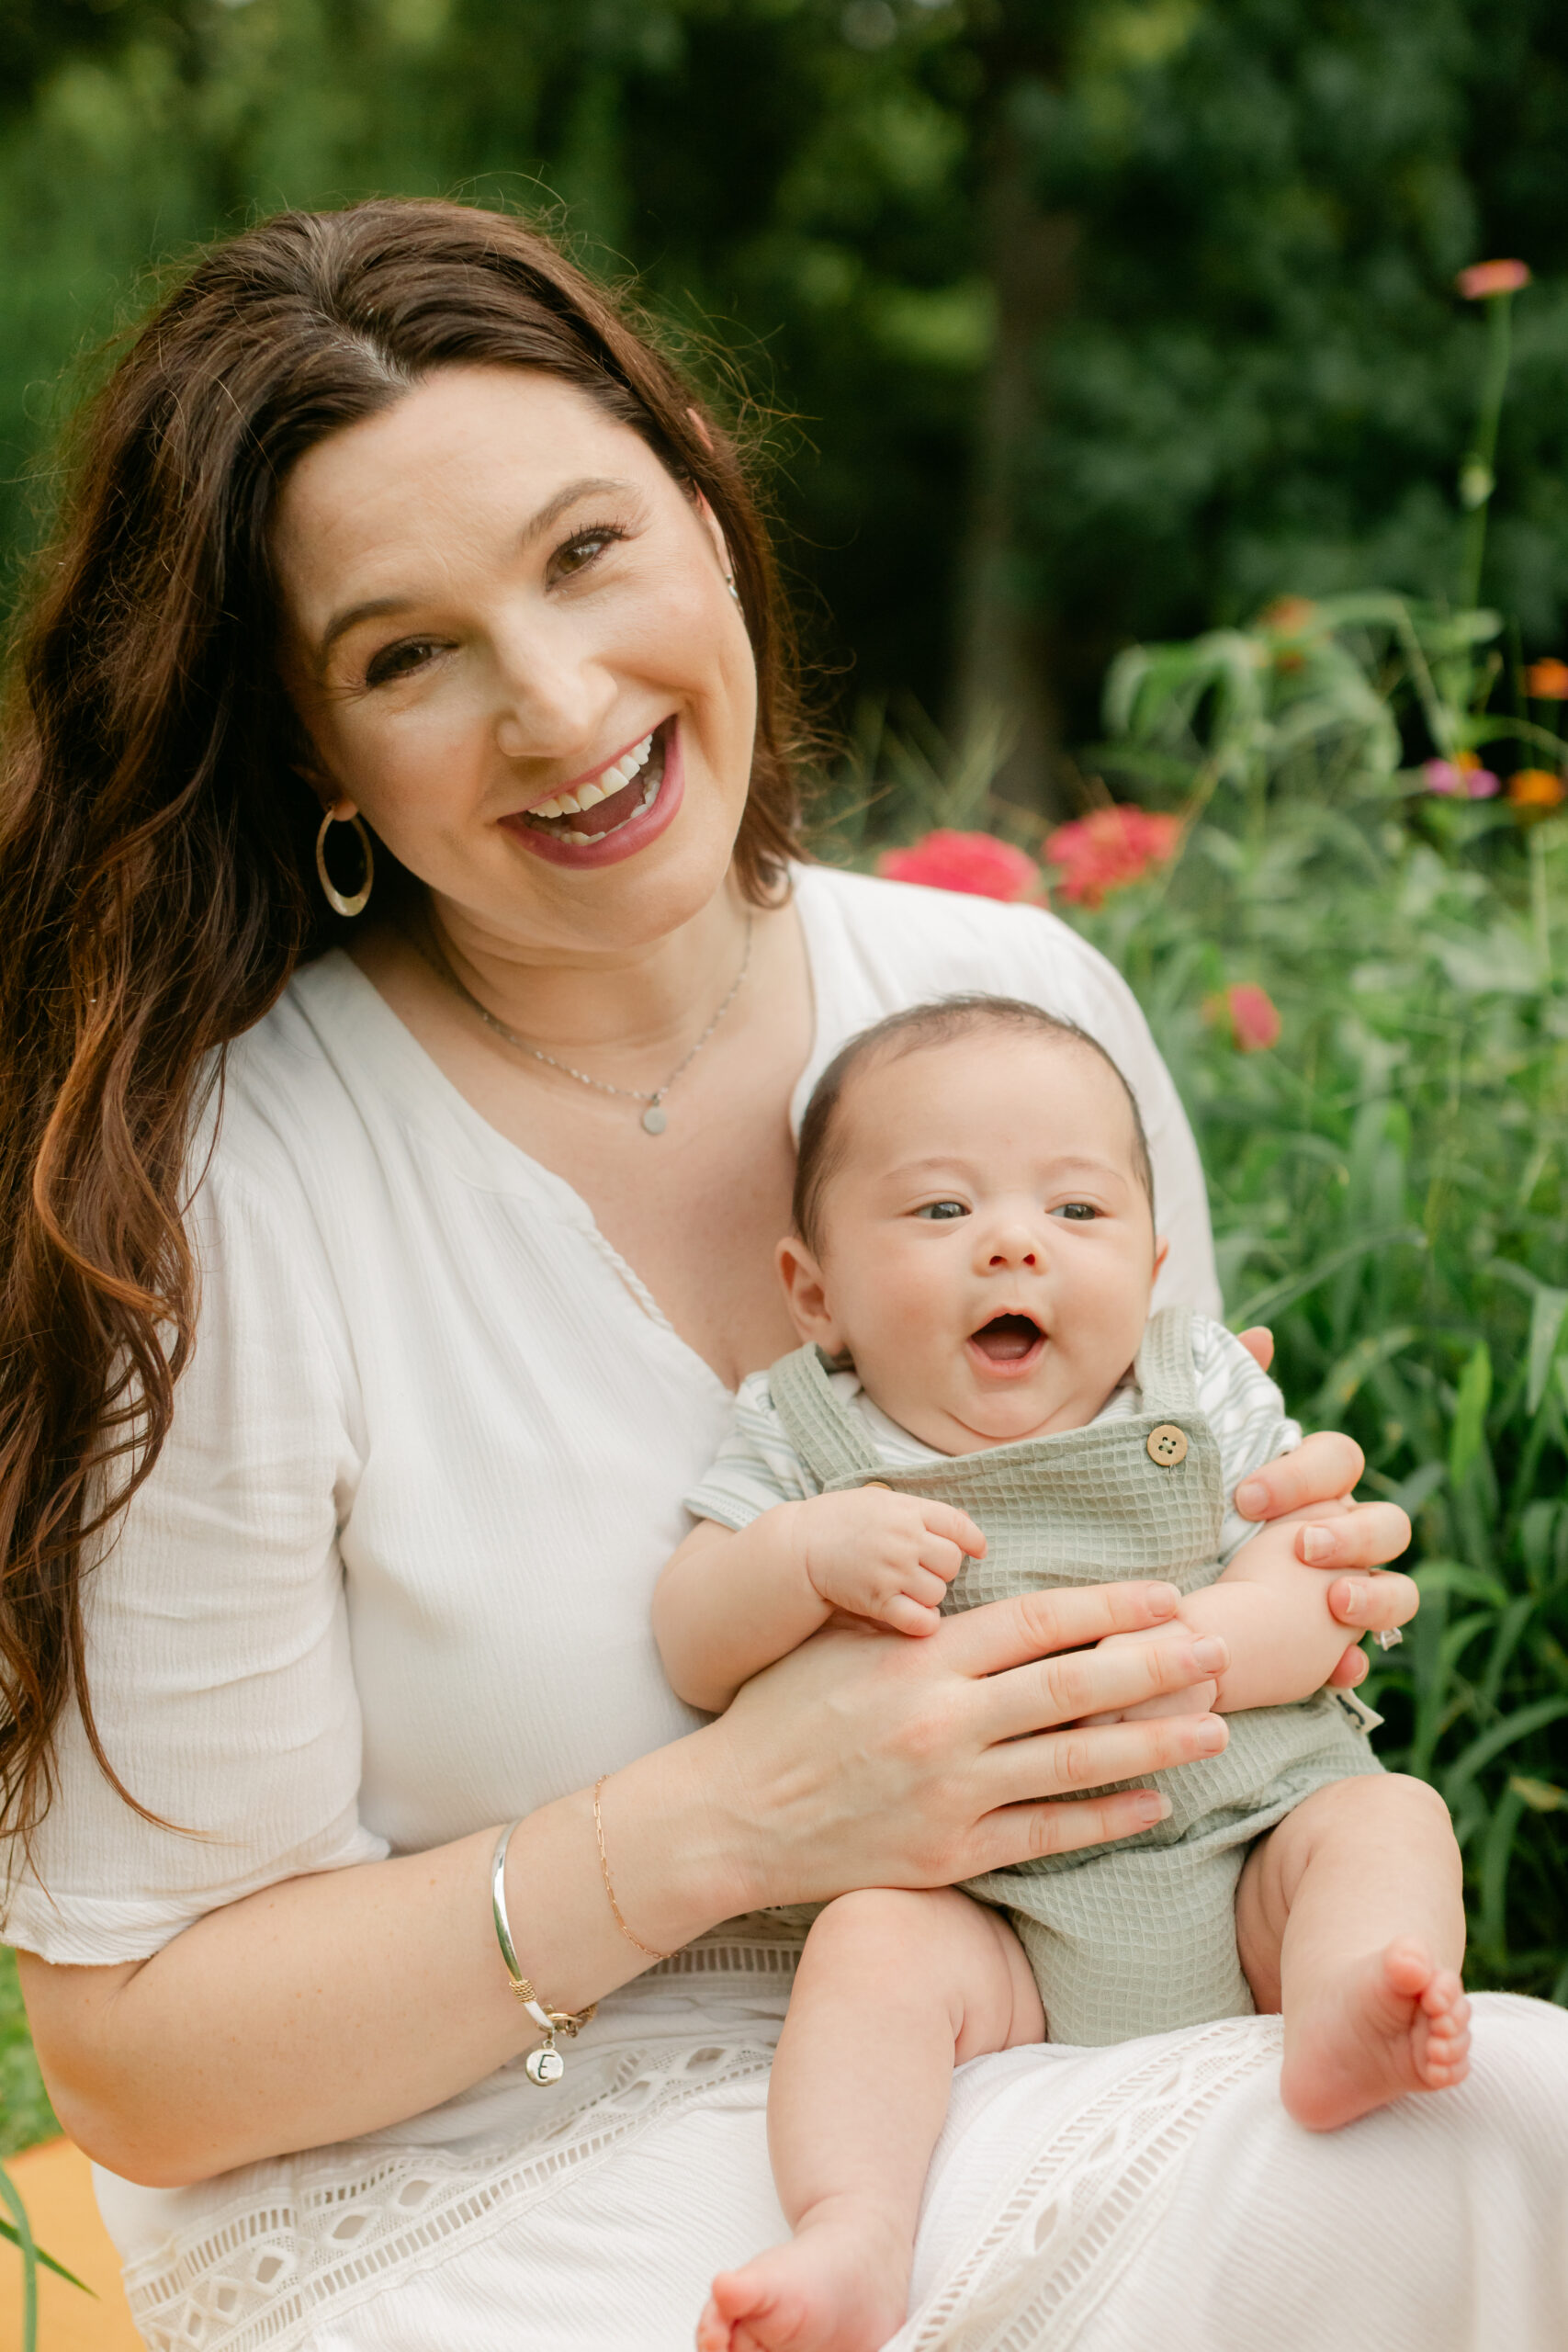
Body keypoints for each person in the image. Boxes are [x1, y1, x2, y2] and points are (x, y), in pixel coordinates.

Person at [0, 199, 1560, 2352]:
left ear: (708, 523)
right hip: (463, 2197)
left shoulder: (1012, 999)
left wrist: (1266, 1592)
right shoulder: (224, 1181)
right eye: (403, 654)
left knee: (1498, 2122)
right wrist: (725, 1820)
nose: (556, 705)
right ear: (310, 753)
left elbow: (1180, 1517)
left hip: (1046, 2053)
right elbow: (137, 2059)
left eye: (584, 552)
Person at [654, 998, 1469, 2352]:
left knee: (1390, 1821)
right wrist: (800, 1557)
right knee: (869, 1952)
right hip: (991, 1915)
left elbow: (1308, 1569)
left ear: (1154, 1265)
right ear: (817, 1291)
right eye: (938, 1213)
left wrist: (1220, 1644)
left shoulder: (1190, 1382)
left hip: (1237, 1838)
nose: (1015, 1240)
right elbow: (690, 1634)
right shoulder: (802, 1432)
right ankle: (855, 2228)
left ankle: (1343, 2004)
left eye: (1078, 1214)